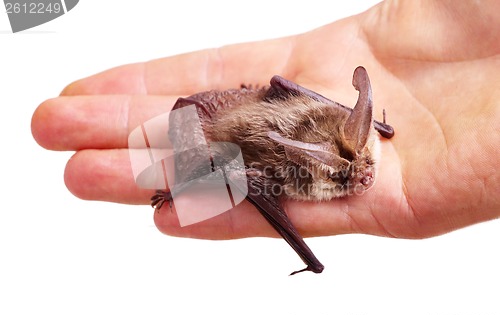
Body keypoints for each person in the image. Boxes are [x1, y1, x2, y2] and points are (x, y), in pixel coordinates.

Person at [31, 0, 499, 240]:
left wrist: (372, 123)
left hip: (269, 124)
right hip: (264, 150)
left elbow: (284, 85)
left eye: (359, 168)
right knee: (243, 176)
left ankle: (190, 175)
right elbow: (287, 125)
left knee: (231, 163)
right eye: (354, 171)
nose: (364, 176)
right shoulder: (321, 171)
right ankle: (190, 178)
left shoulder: (352, 129)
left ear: (362, 127)